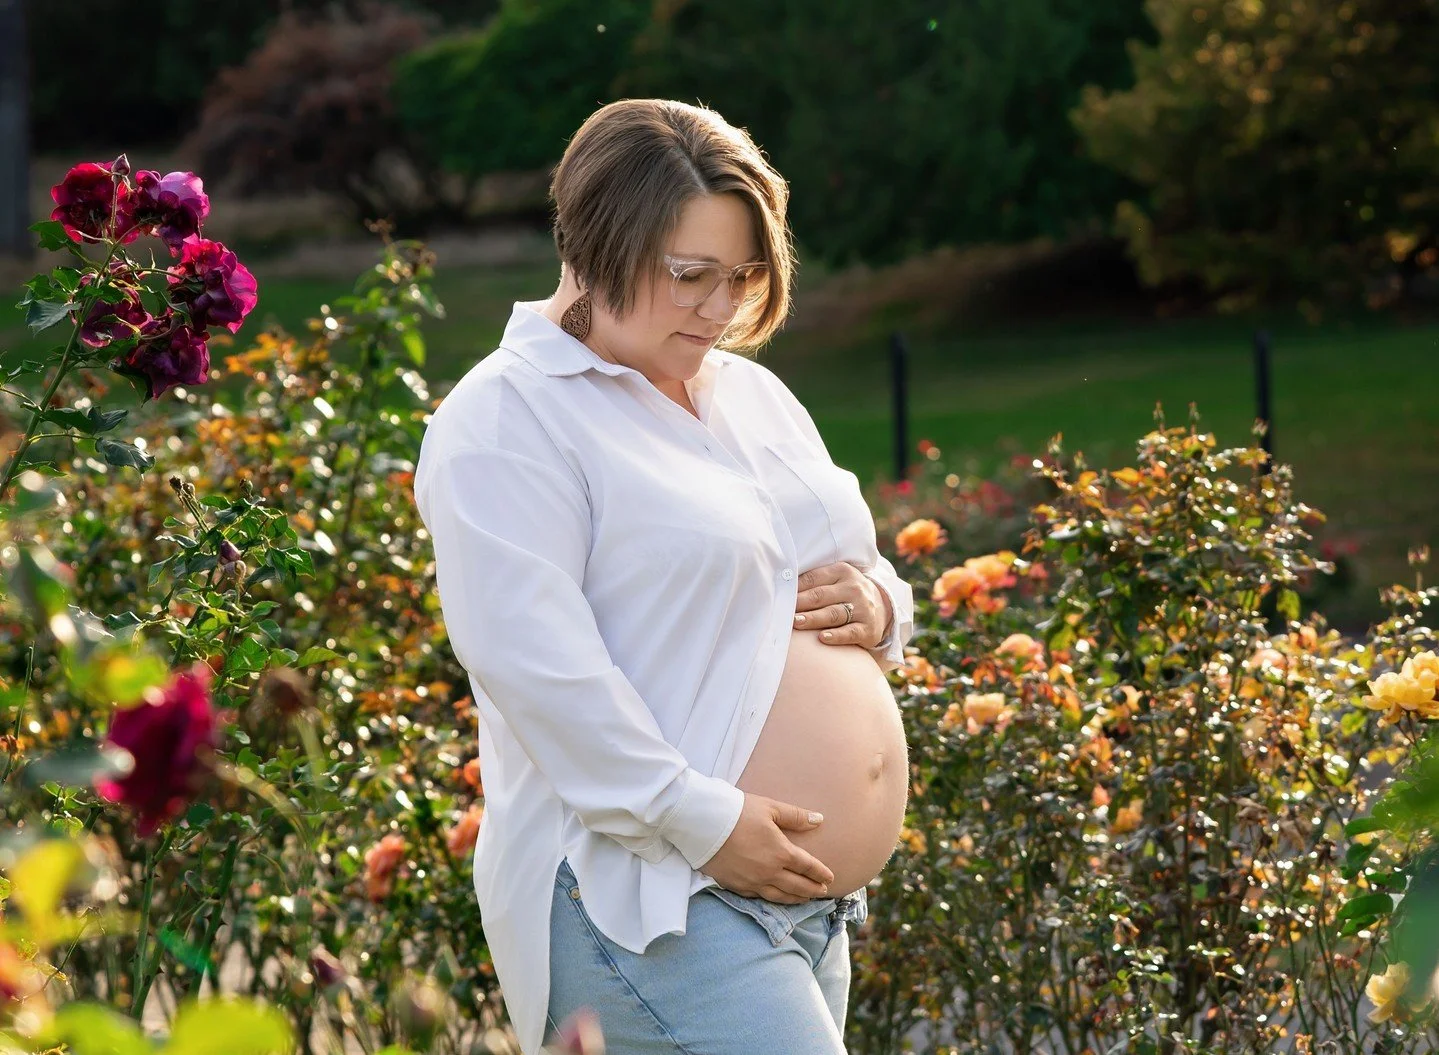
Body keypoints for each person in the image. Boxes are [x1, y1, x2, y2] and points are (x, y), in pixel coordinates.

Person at [413, 98, 916, 1055]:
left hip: (801, 903)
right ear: (593, 246)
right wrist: (705, 821)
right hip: (646, 896)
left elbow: (847, 568)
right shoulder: (505, 421)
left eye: (740, 277)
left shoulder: (751, 395)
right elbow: (536, 669)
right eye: (689, 276)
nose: (720, 309)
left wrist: (882, 601)